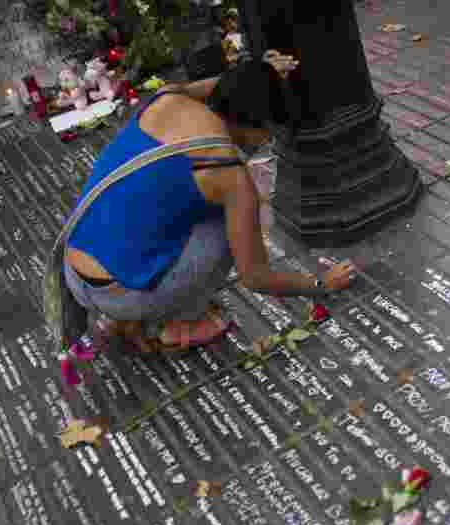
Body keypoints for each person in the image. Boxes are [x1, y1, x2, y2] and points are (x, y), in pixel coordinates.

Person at [63, 50, 355, 353]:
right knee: (229, 224)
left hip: (74, 271)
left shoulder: (166, 98)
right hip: (118, 296)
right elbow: (255, 276)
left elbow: (220, 87)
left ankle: (131, 307)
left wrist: (259, 72)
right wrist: (321, 284)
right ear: (260, 130)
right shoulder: (228, 173)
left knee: (183, 201)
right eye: (268, 134)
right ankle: (175, 324)